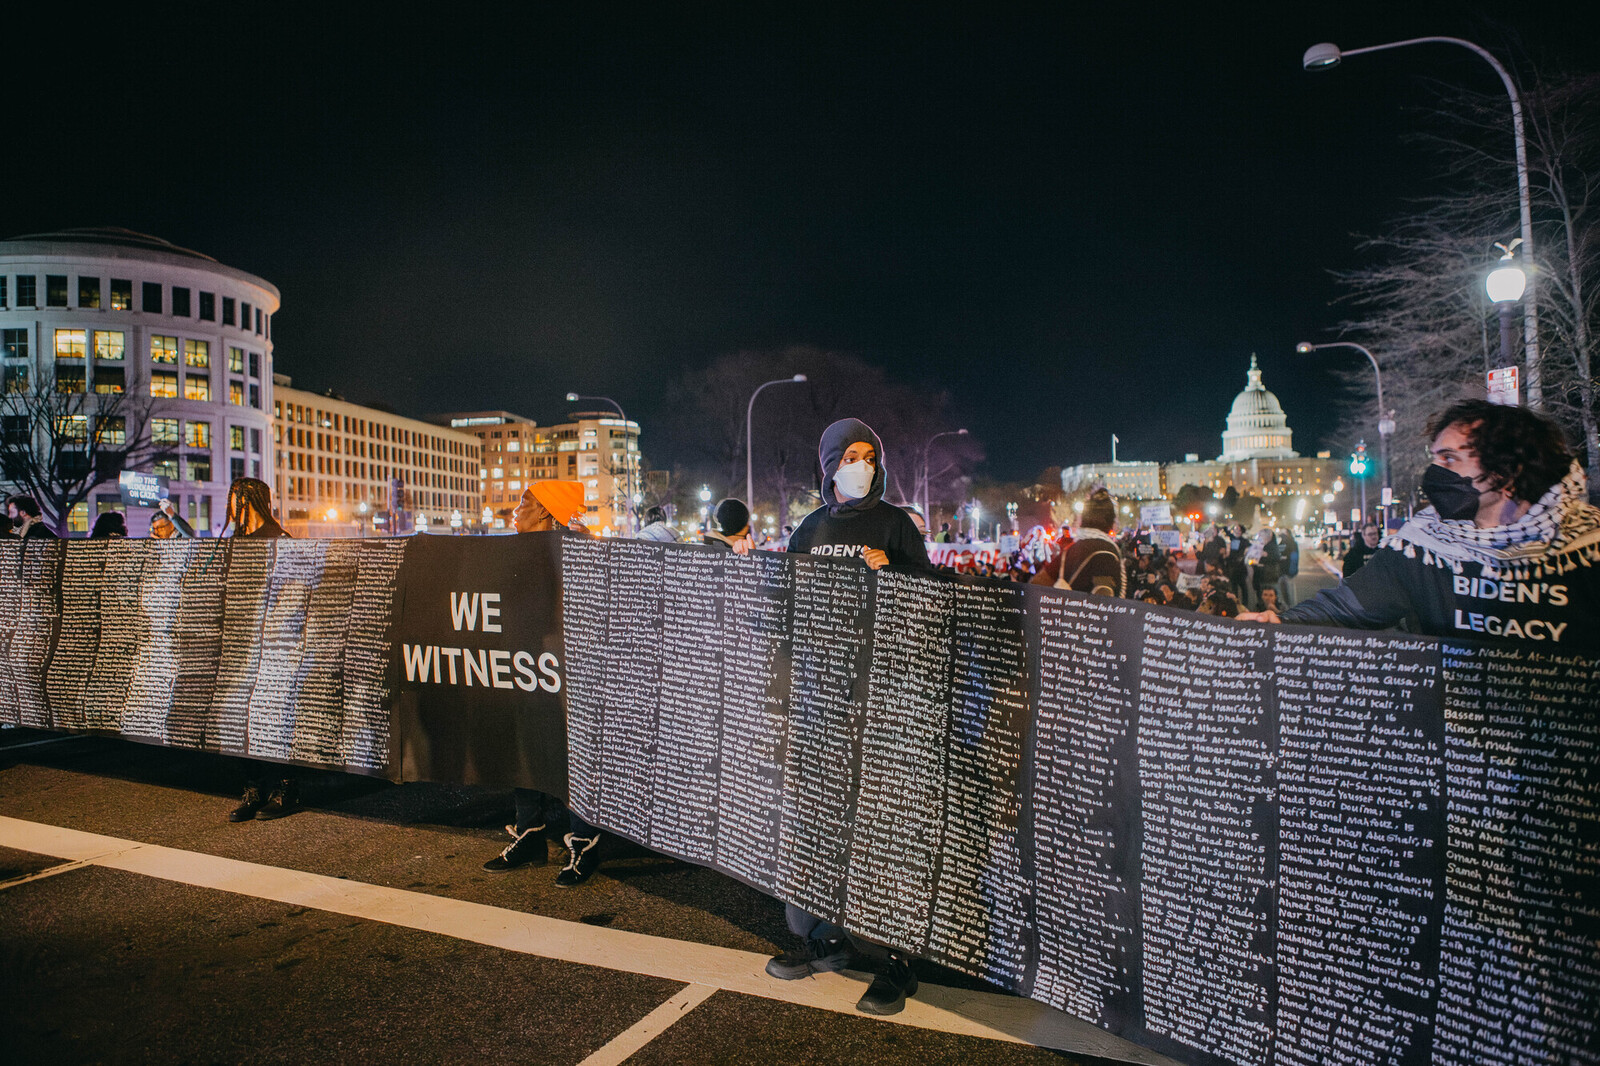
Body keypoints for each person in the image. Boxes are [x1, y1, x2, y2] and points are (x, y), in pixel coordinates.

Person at [743, 417, 930, 1016]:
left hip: (888, 699)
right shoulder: (810, 529)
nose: (861, 465)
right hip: (825, 702)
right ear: (827, 465)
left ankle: (900, 960)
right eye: (850, 455)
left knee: (889, 828)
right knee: (819, 822)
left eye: (869, 455)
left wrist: (893, 577)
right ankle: (822, 939)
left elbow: (933, 606)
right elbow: (789, 611)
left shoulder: (896, 525)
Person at [1242, 400, 1599, 651]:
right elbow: (1345, 608)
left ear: (1505, 470)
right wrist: (1279, 624)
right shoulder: (1423, 545)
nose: (1435, 473)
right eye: (1435, 458)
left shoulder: (1589, 546)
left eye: (1450, 459)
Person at [482, 478, 611, 887]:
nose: (515, 510)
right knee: (526, 751)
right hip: (526, 668)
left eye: (524, 502)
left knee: (574, 757)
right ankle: (529, 835)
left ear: (545, 511)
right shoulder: (514, 551)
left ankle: (584, 845)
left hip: (572, 674)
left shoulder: (581, 552)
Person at [225, 478, 300, 822]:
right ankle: (253, 789)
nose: (229, 503)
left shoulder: (279, 541)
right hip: (242, 645)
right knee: (243, 720)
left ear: (245, 499)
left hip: (273, 646)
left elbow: (295, 592)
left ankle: (284, 790)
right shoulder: (236, 542)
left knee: (274, 718)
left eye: (233, 496)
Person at [1031, 488, 1124, 596]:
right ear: (1111, 521)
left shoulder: (1071, 550)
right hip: (1092, 612)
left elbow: (1037, 584)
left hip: (1068, 611)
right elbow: (1104, 595)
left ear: (1083, 519)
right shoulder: (1108, 551)